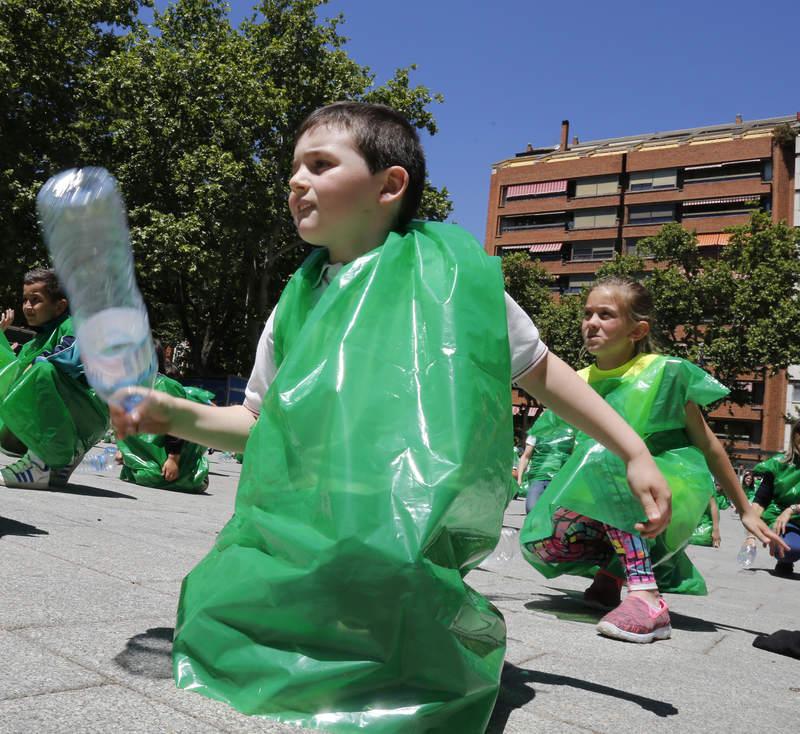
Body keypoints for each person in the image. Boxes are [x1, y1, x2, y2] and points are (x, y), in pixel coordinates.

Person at [111, 102, 671, 732]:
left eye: (320, 164)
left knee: (403, 646)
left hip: (401, 532)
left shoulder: (452, 279)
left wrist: (632, 449)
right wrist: (174, 413)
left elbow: (545, 375)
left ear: (390, 185)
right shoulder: (296, 303)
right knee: (223, 617)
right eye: (293, 167)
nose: (295, 181)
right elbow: (256, 427)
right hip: (309, 532)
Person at [520, 276, 786, 644]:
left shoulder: (663, 373)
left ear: (636, 329)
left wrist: (744, 509)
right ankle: (611, 575)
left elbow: (708, 445)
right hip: (610, 486)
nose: (591, 322)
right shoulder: (575, 381)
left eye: (606, 314)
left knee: (605, 457)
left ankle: (646, 598)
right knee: (547, 537)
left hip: (667, 485)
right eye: (587, 313)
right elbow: (557, 450)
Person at [0, 269, 108, 488]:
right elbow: (11, 372)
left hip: (89, 413)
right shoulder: (32, 343)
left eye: (36, 300)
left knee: (42, 370)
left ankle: (40, 465)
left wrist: (35, 364)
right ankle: (55, 462)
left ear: (59, 306)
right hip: (68, 413)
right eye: (25, 300)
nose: (28, 306)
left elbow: (70, 357)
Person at [115, 342, 210, 493]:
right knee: (145, 475)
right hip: (144, 458)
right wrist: (123, 450)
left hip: (167, 456)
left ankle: (194, 474)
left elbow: (176, 424)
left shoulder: (167, 386)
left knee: (153, 476)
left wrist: (173, 459)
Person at [750, 421, 800, 576]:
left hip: (792, 513)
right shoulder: (777, 465)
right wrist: (751, 535)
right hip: (785, 522)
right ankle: (786, 560)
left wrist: (792, 509)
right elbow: (760, 502)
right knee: (790, 548)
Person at [517, 409, 575, 512]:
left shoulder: (569, 435)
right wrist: (519, 479)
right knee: (531, 508)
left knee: (554, 512)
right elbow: (526, 456)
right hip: (538, 477)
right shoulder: (536, 434)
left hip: (559, 479)